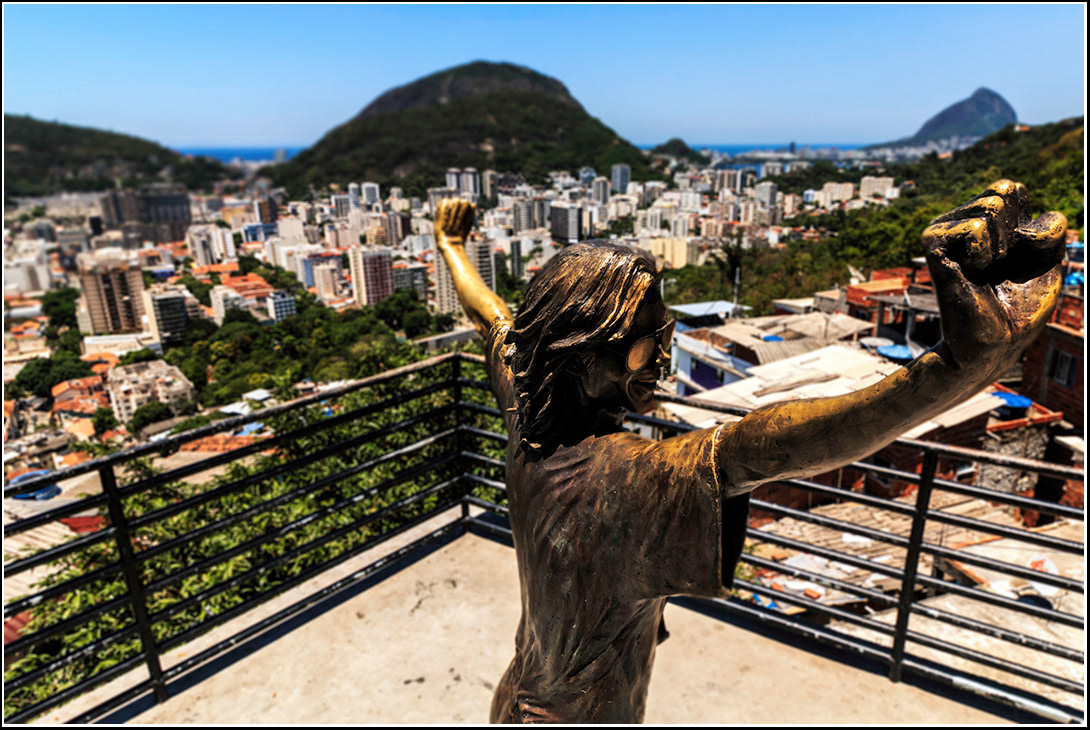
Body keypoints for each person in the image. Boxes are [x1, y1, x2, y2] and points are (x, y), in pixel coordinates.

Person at [433, 180, 1066, 724]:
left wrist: (451, 247)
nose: (661, 357)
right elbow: (763, 443)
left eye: (666, 333)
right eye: (642, 343)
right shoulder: (624, 481)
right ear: (580, 356)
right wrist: (953, 370)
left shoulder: (529, 412)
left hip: (516, 699)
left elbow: (494, 317)